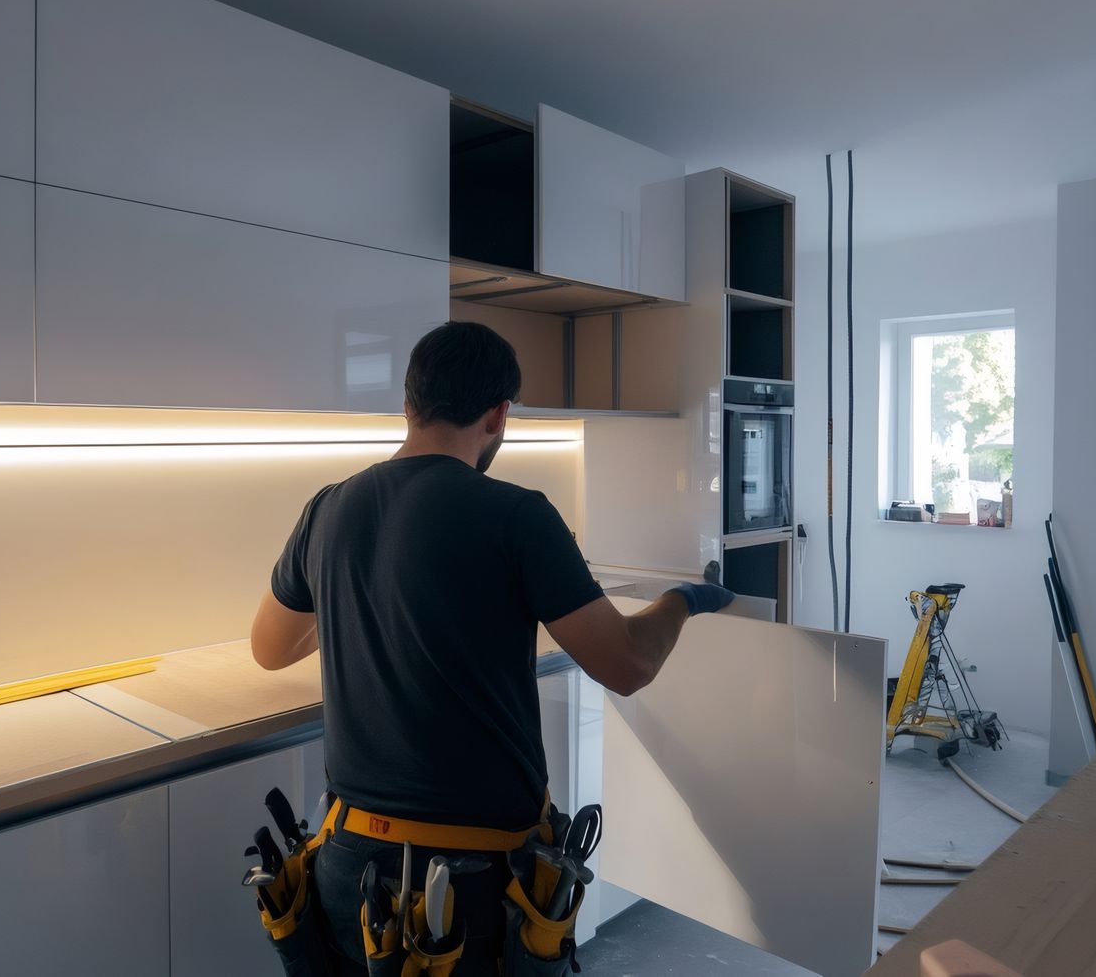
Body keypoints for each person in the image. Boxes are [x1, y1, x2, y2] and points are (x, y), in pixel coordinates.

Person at [250, 320, 735, 974]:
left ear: (408, 404)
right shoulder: (517, 515)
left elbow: (270, 648)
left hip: (349, 865)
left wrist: (353, 593)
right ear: (499, 414)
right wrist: (685, 601)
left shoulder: (329, 508)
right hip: (473, 884)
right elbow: (627, 664)